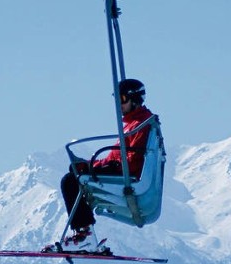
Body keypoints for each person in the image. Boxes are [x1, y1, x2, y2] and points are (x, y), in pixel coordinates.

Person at [49, 78, 154, 253]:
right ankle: (86, 237)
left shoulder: (140, 125)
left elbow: (131, 160)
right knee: (75, 172)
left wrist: (97, 167)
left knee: (70, 181)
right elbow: (117, 156)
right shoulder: (134, 124)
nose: (119, 105)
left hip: (126, 173)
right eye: (116, 100)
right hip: (122, 169)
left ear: (134, 99)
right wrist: (92, 164)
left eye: (122, 99)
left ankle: (84, 236)